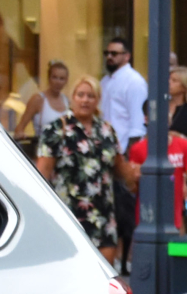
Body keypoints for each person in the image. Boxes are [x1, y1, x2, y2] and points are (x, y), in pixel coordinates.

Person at [35, 76, 124, 266]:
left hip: (103, 213)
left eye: (91, 96)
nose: (85, 100)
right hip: (70, 213)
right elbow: (41, 174)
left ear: (98, 99)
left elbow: (121, 168)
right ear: (73, 97)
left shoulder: (107, 130)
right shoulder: (57, 129)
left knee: (106, 274)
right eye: (81, 95)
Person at [98, 38, 148, 265]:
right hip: (105, 151)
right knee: (112, 205)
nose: (110, 57)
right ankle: (114, 253)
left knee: (126, 206)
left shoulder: (134, 81)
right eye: (107, 53)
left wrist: (130, 155)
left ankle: (126, 255)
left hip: (124, 150)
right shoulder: (105, 81)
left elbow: (137, 121)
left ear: (126, 56)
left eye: (115, 53)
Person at [123, 118, 187, 235]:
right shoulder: (138, 149)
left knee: (176, 247)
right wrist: (134, 178)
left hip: (174, 213)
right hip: (147, 215)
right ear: (146, 119)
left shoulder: (183, 144)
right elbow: (132, 187)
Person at [19, 61, 72, 151]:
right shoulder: (38, 99)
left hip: (62, 152)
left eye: (61, 78)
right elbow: (19, 129)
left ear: (66, 81)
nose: (58, 82)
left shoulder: (67, 101)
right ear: (49, 78)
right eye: (54, 77)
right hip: (42, 150)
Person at [166, 62, 187, 138]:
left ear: (185, 85)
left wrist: (180, 136)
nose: (169, 82)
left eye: (174, 80)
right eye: (169, 79)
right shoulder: (162, 105)